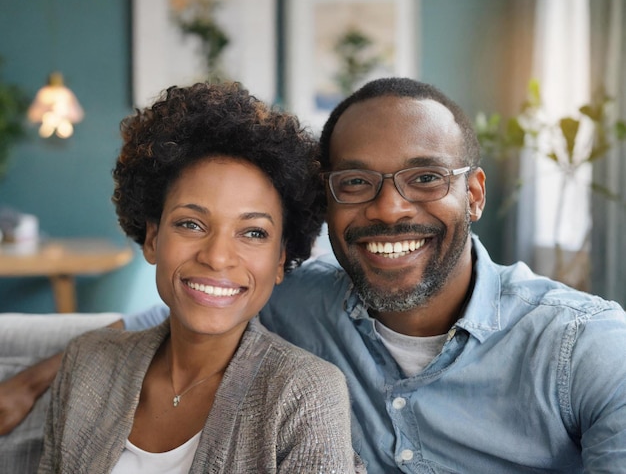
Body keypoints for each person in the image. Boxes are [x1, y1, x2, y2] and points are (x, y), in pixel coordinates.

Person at [4, 77, 626, 472]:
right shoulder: (295, 297)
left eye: (426, 178)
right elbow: (174, 317)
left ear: (475, 195)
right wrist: (31, 382)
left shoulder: (586, 348)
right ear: (326, 203)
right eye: (355, 183)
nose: (389, 207)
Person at [36, 82, 362, 473]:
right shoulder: (86, 363)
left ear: (280, 259)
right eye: (191, 224)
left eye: (253, 232)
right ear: (153, 238)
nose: (217, 256)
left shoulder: (306, 394)